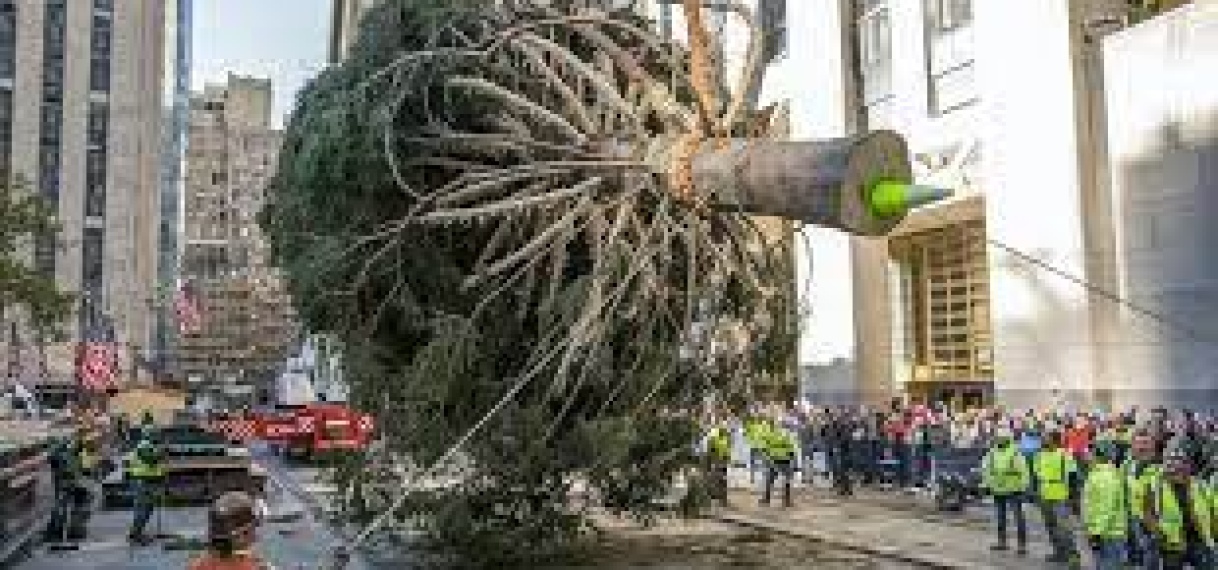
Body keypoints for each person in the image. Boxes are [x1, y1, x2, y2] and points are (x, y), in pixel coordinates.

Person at [1146, 451, 1213, 569]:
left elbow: (1214, 509)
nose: (1176, 467)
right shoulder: (1155, 487)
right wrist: (1158, 533)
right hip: (1171, 543)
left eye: (1181, 463)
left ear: (1188, 466)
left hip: (1199, 539)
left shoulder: (1200, 485)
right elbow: (1148, 512)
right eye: (1171, 464)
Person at [188, 491, 272, 570]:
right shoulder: (255, 566)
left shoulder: (199, 564)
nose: (256, 534)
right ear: (240, 536)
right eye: (253, 528)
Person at [982, 426, 1030, 554]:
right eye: (998, 438)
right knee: (1000, 516)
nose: (999, 440)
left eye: (1001, 438)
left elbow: (1023, 471)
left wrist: (1024, 487)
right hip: (998, 489)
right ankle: (1002, 541)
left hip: (1014, 489)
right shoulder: (992, 452)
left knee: (1018, 516)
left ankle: (1021, 544)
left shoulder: (1015, 452)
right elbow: (986, 468)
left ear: (1007, 439)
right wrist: (986, 484)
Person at [1034, 430, 1077, 564]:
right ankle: (1059, 552)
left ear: (1054, 440)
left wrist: (1073, 497)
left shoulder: (1064, 455)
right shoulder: (1039, 455)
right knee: (1050, 526)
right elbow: (1036, 474)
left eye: (1046, 438)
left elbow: (1073, 476)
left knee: (1064, 528)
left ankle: (1073, 555)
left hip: (1060, 495)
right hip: (1044, 494)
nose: (1043, 440)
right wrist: (1036, 492)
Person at [1084, 441, 1128, 570]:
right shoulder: (1098, 473)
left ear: (1098, 455)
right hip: (1105, 532)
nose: (1086, 455)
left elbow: (1106, 508)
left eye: (1090, 452)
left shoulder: (1105, 477)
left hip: (1109, 534)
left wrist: (1096, 533)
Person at [1125, 431, 1164, 568]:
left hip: (1151, 520)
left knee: (1151, 555)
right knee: (1134, 554)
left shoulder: (1161, 470)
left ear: (1153, 446)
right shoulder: (1128, 464)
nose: (1142, 447)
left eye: (1146, 443)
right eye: (1138, 443)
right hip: (1131, 516)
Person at [126, 435, 166, 543]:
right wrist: (160, 453)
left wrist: (160, 477)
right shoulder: (144, 446)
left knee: (148, 508)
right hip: (141, 482)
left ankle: (138, 532)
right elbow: (151, 460)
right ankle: (135, 535)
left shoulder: (151, 446)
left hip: (148, 481)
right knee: (142, 509)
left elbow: (155, 466)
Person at [759, 413, 797, 508]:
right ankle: (784, 500)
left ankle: (769, 499)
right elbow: (791, 446)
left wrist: (766, 453)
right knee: (780, 479)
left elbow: (765, 445)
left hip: (779, 459)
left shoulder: (773, 433)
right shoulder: (784, 433)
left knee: (773, 479)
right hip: (780, 459)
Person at [703, 416, 733, 507]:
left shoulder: (727, 436)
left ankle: (723, 499)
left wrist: (727, 458)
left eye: (726, 428)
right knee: (712, 478)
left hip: (723, 459)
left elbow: (728, 447)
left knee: (723, 479)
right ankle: (710, 498)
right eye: (723, 428)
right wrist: (712, 461)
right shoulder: (713, 435)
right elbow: (710, 448)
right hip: (714, 458)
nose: (725, 430)